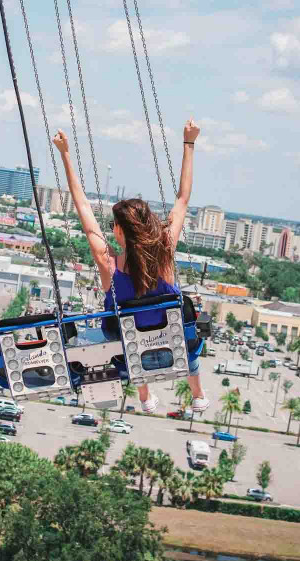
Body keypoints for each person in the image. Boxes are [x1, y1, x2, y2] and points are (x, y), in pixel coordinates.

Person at [53, 118, 208, 413]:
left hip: (135, 352)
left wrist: (65, 154)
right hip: (173, 345)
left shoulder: (109, 263)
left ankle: (145, 397)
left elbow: (83, 207)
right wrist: (189, 143)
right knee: (184, 331)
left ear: (121, 231)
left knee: (127, 333)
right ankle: (197, 393)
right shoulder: (164, 251)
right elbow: (183, 198)